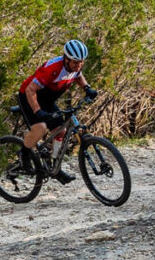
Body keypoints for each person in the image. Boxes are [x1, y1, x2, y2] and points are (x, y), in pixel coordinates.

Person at [16, 39, 99, 183]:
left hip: (47, 100)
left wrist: (87, 88)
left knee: (60, 131)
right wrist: (37, 111)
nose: (79, 65)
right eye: (75, 62)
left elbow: (78, 75)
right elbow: (30, 90)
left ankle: (55, 167)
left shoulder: (74, 67)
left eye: (81, 62)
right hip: (29, 97)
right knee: (40, 128)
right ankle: (24, 154)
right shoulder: (52, 69)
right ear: (66, 59)